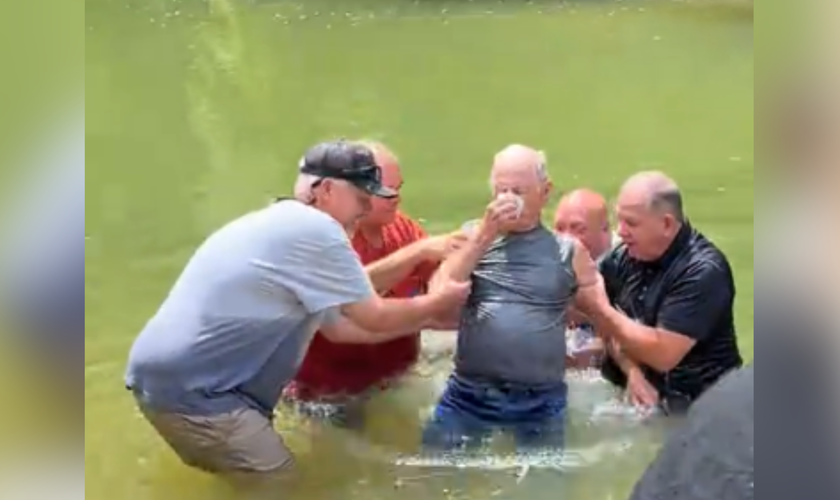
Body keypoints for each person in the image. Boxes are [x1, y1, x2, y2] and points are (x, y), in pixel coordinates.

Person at [124, 140, 471, 481]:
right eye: (361, 198)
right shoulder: (319, 231)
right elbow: (373, 315)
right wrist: (438, 302)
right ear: (326, 190)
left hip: (165, 382)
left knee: (253, 476)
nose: (366, 210)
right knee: (281, 482)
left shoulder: (283, 223)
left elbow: (341, 329)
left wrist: (435, 320)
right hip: (199, 394)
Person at [421, 145, 601, 452]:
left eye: (518, 190)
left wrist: (633, 371)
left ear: (545, 191)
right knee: (432, 476)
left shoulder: (569, 252)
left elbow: (603, 316)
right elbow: (436, 295)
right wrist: (484, 237)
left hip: (541, 399)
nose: (508, 199)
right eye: (501, 190)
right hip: (469, 393)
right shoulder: (471, 238)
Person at [284, 141, 462, 426]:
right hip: (327, 396)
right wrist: (419, 257)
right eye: (385, 191)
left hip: (395, 378)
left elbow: (445, 282)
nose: (395, 198)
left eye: (398, 189)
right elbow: (344, 303)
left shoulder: (402, 228)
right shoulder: (318, 240)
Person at [584, 171, 743, 413]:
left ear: (667, 224)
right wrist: (633, 372)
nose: (621, 232)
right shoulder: (622, 258)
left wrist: (599, 309)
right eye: (619, 221)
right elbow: (611, 328)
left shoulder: (703, 272)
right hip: (643, 397)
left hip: (702, 410)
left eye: (632, 223)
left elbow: (662, 354)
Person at [553, 189, 616, 369]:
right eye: (559, 228)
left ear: (605, 231)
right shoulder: (545, 262)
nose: (565, 239)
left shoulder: (626, 267)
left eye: (578, 229)